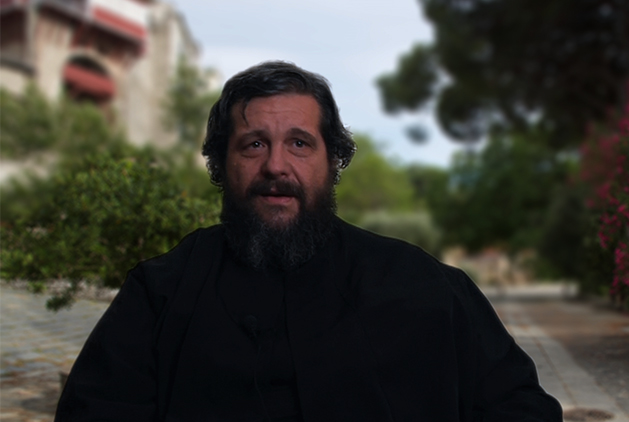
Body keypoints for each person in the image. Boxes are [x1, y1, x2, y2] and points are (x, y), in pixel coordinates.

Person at [55, 61, 562, 421]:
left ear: (332, 161)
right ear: (221, 164)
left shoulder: (426, 287)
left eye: (299, 143)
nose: (276, 166)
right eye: (254, 144)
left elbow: (521, 407)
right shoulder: (159, 293)